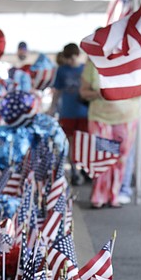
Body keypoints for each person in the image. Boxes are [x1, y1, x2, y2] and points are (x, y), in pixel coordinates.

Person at [79, 61, 139, 207]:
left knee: (121, 158)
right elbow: (83, 92)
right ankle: (99, 196)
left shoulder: (134, 61)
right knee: (102, 156)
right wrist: (100, 93)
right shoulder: (94, 63)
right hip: (100, 117)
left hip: (126, 117)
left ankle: (114, 195)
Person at [52, 44, 89, 186]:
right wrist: (52, 108)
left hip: (83, 112)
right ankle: (74, 170)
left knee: (81, 144)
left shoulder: (84, 69)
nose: (71, 62)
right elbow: (57, 91)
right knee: (69, 143)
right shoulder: (62, 70)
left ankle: (83, 170)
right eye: (69, 59)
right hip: (67, 112)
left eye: (73, 58)